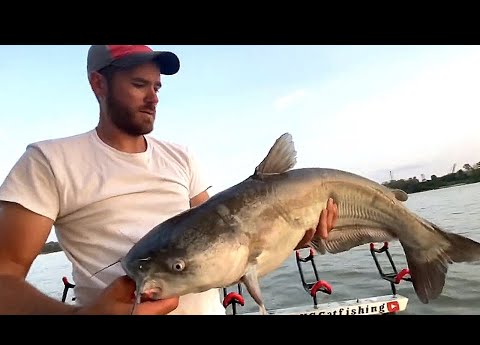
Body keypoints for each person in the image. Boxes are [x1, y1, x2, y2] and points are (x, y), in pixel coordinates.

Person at [0, 45, 338, 315]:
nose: (154, 97)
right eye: (138, 84)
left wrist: (286, 237)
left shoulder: (181, 156)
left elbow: (228, 248)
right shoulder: (49, 161)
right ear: (98, 83)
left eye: (156, 86)